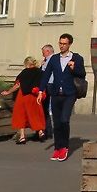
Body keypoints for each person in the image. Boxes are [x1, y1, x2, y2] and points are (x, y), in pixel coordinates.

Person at [37, 33, 86, 162]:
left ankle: (64, 147)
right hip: (55, 94)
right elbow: (46, 75)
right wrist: (41, 91)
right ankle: (57, 148)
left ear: (69, 44)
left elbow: (82, 74)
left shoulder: (77, 58)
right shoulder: (53, 59)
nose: (62, 46)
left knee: (64, 120)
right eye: (60, 43)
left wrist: (74, 68)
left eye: (64, 44)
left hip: (69, 94)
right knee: (57, 122)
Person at [0, 56, 45, 144]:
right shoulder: (40, 72)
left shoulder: (24, 72)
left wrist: (8, 92)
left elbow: (18, 85)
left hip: (23, 96)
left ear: (26, 64)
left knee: (21, 115)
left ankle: (22, 137)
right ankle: (40, 131)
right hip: (35, 96)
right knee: (35, 114)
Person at [40, 43, 54, 140]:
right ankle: (48, 131)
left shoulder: (49, 60)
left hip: (49, 85)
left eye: (43, 52)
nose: (42, 55)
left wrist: (41, 66)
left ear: (48, 51)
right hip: (55, 85)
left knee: (45, 109)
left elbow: (43, 74)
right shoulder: (57, 59)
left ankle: (47, 131)